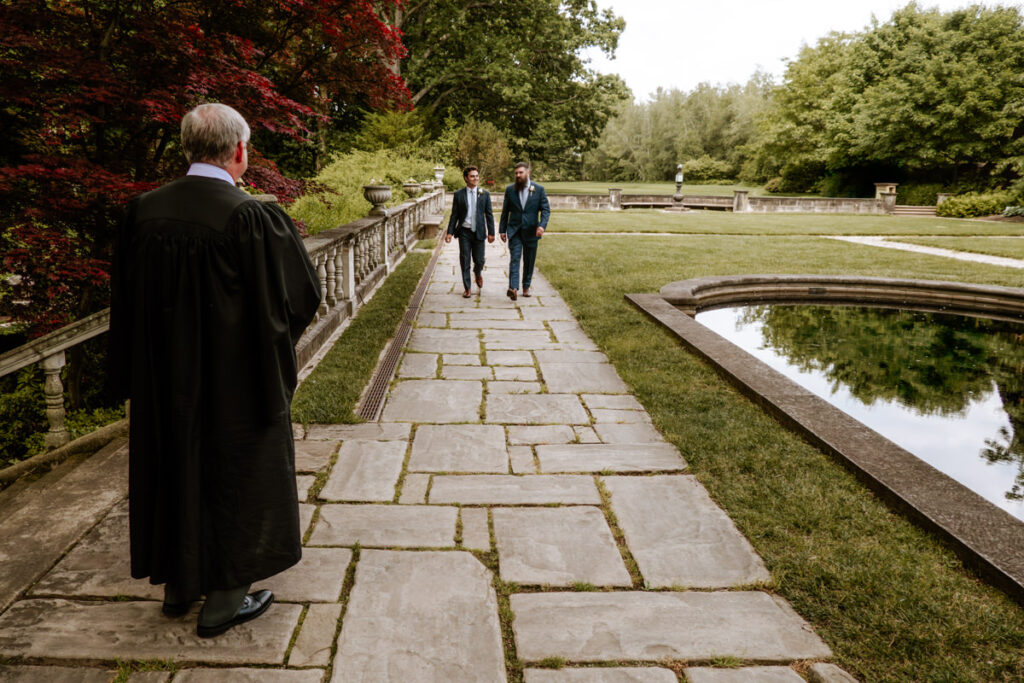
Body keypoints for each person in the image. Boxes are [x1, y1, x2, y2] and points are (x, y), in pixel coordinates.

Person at [108, 103, 322, 638]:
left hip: (163, 384)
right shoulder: (249, 216)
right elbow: (296, 301)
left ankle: (180, 587)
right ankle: (225, 598)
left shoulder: (143, 212)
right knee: (236, 474)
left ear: (187, 147)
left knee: (174, 466)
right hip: (234, 384)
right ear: (240, 150)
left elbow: (125, 305)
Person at [499, 161, 550, 300]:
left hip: (532, 231)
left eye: (520, 172)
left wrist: (542, 226)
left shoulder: (539, 190)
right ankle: (513, 288)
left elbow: (546, 210)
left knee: (529, 260)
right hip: (514, 230)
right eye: (516, 173)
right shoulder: (510, 190)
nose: (518, 175)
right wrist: (502, 230)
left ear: (528, 173)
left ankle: (526, 286)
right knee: (515, 259)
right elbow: (505, 211)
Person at [445, 165, 495, 297]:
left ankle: (477, 272)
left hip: (479, 232)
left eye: (477, 176)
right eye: (472, 176)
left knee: (479, 260)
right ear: (466, 178)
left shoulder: (484, 194)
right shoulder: (458, 194)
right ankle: (467, 288)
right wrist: (449, 232)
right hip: (464, 232)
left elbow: (489, 215)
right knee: (465, 259)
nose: (475, 178)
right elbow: (454, 215)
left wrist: (491, 233)